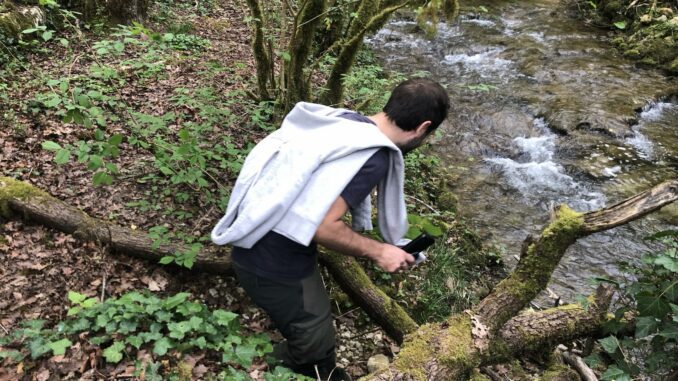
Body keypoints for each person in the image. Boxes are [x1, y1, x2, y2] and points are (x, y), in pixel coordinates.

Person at [211, 78, 450, 380]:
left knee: (315, 325)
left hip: (253, 232)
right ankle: (279, 364)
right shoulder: (373, 156)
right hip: (270, 263)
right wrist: (379, 251)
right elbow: (322, 227)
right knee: (315, 341)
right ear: (423, 127)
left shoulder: (342, 122)